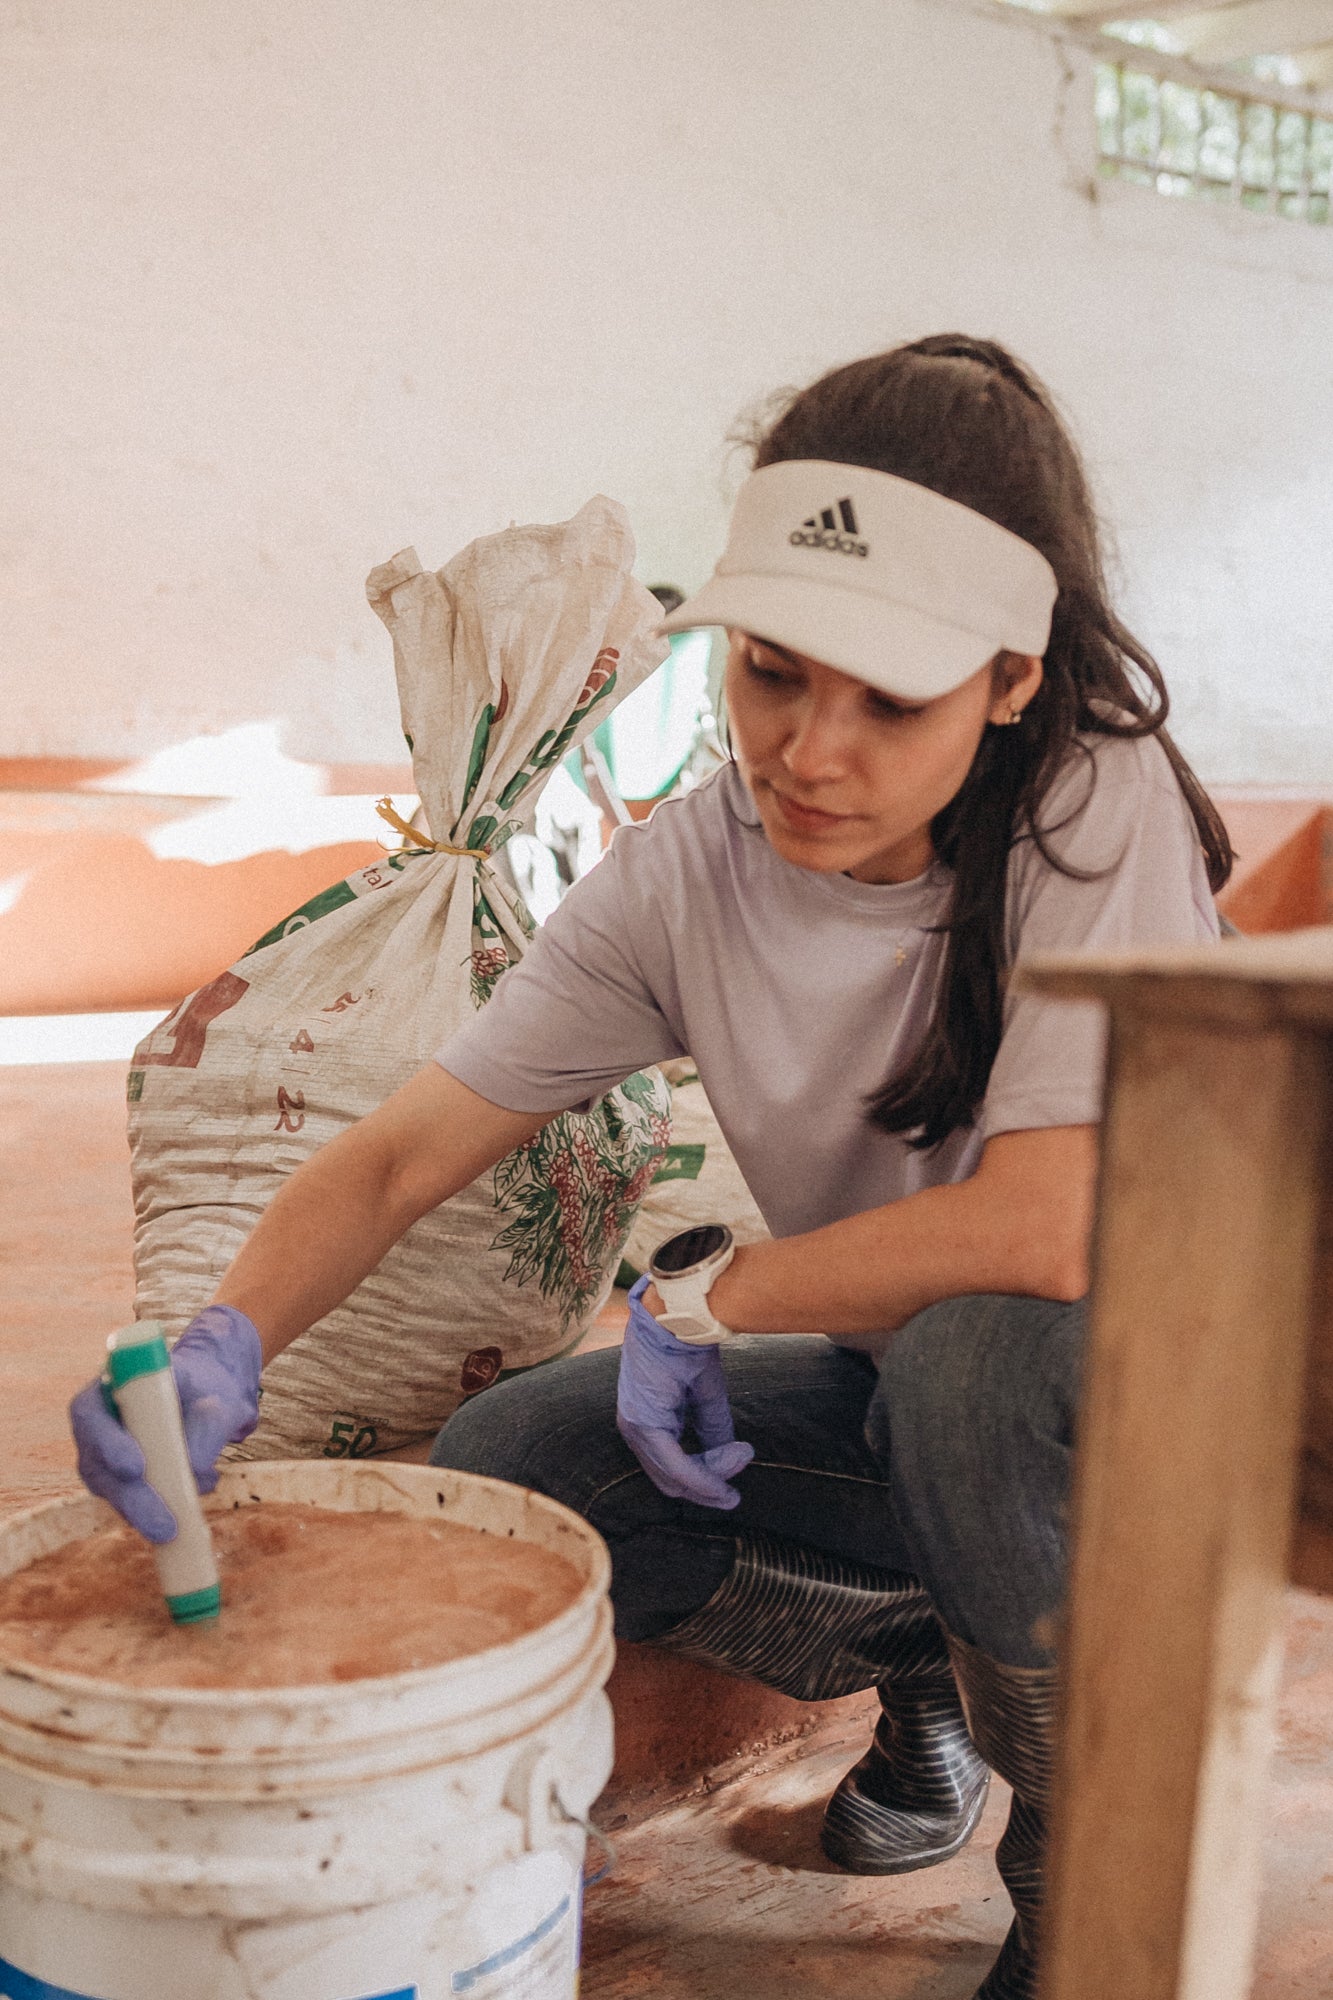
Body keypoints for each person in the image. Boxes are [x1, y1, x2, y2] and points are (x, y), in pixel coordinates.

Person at [71, 335, 1230, 2000]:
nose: (808, 752)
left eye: (887, 701)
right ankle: (927, 1677)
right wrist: (218, 1341)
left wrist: (705, 1297)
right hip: (917, 1417)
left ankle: (1082, 1867)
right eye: (770, 673)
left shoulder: (1087, 812)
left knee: (975, 1357)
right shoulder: (691, 870)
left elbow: (1047, 1234)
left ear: (1007, 678)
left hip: (1119, 1440)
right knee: (527, 1456)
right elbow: (400, 1154)